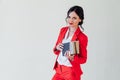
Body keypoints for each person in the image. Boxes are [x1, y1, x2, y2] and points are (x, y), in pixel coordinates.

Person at [52, 5, 88, 80]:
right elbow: (56, 51)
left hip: (70, 71)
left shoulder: (82, 37)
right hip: (58, 69)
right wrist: (57, 47)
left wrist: (73, 58)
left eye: (74, 18)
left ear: (80, 19)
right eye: (69, 17)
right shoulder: (63, 30)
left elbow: (83, 59)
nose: (70, 20)